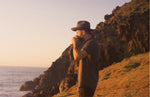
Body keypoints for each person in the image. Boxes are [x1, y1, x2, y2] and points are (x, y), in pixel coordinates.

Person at [71, 20, 99, 97]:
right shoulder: (88, 43)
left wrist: (74, 44)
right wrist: (80, 85)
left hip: (87, 83)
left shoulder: (91, 43)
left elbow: (77, 57)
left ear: (82, 31)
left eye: (77, 32)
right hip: (85, 84)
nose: (76, 34)